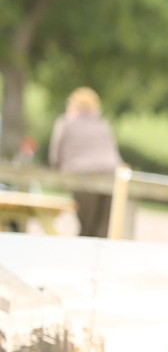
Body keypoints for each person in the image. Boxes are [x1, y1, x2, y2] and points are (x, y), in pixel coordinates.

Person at [49, 87, 123, 238]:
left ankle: (82, 259)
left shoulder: (65, 122)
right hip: (112, 174)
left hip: (82, 174)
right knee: (102, 229)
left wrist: (59, 172)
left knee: (86, 226)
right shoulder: (103, 124)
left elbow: (55, 155)